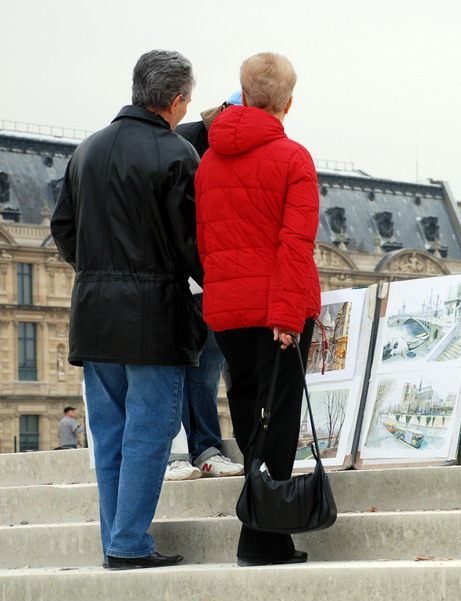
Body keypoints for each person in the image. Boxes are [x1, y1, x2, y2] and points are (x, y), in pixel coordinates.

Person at [50, 50, 204, 570]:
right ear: (177, 99)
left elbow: (63, 229)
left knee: (110, 432)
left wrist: (95, 270)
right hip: (155, 313)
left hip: (93, 310)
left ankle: (117, 540)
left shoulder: (87, 150)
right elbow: (191, 244)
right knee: (151, 428)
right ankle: (130, 542)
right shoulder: (177, 152)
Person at [195, 52, 321, 567]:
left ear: (242, 96)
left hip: (227, 310)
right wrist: (289, 318)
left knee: (249, 416)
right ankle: (263, 538)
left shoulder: (208, 160)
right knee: (281, 420)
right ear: (288, 103)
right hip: (277, 310)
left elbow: (205, 244)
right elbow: (296, 244)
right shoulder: (294, 158)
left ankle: (264, 534)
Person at [163, 92, 247, 482]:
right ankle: (189, 449)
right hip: (190, 276)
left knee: (207, 369)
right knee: (188, 369)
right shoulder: (182, 141)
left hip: (215, 277)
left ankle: (205, 448)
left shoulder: (228, 144)